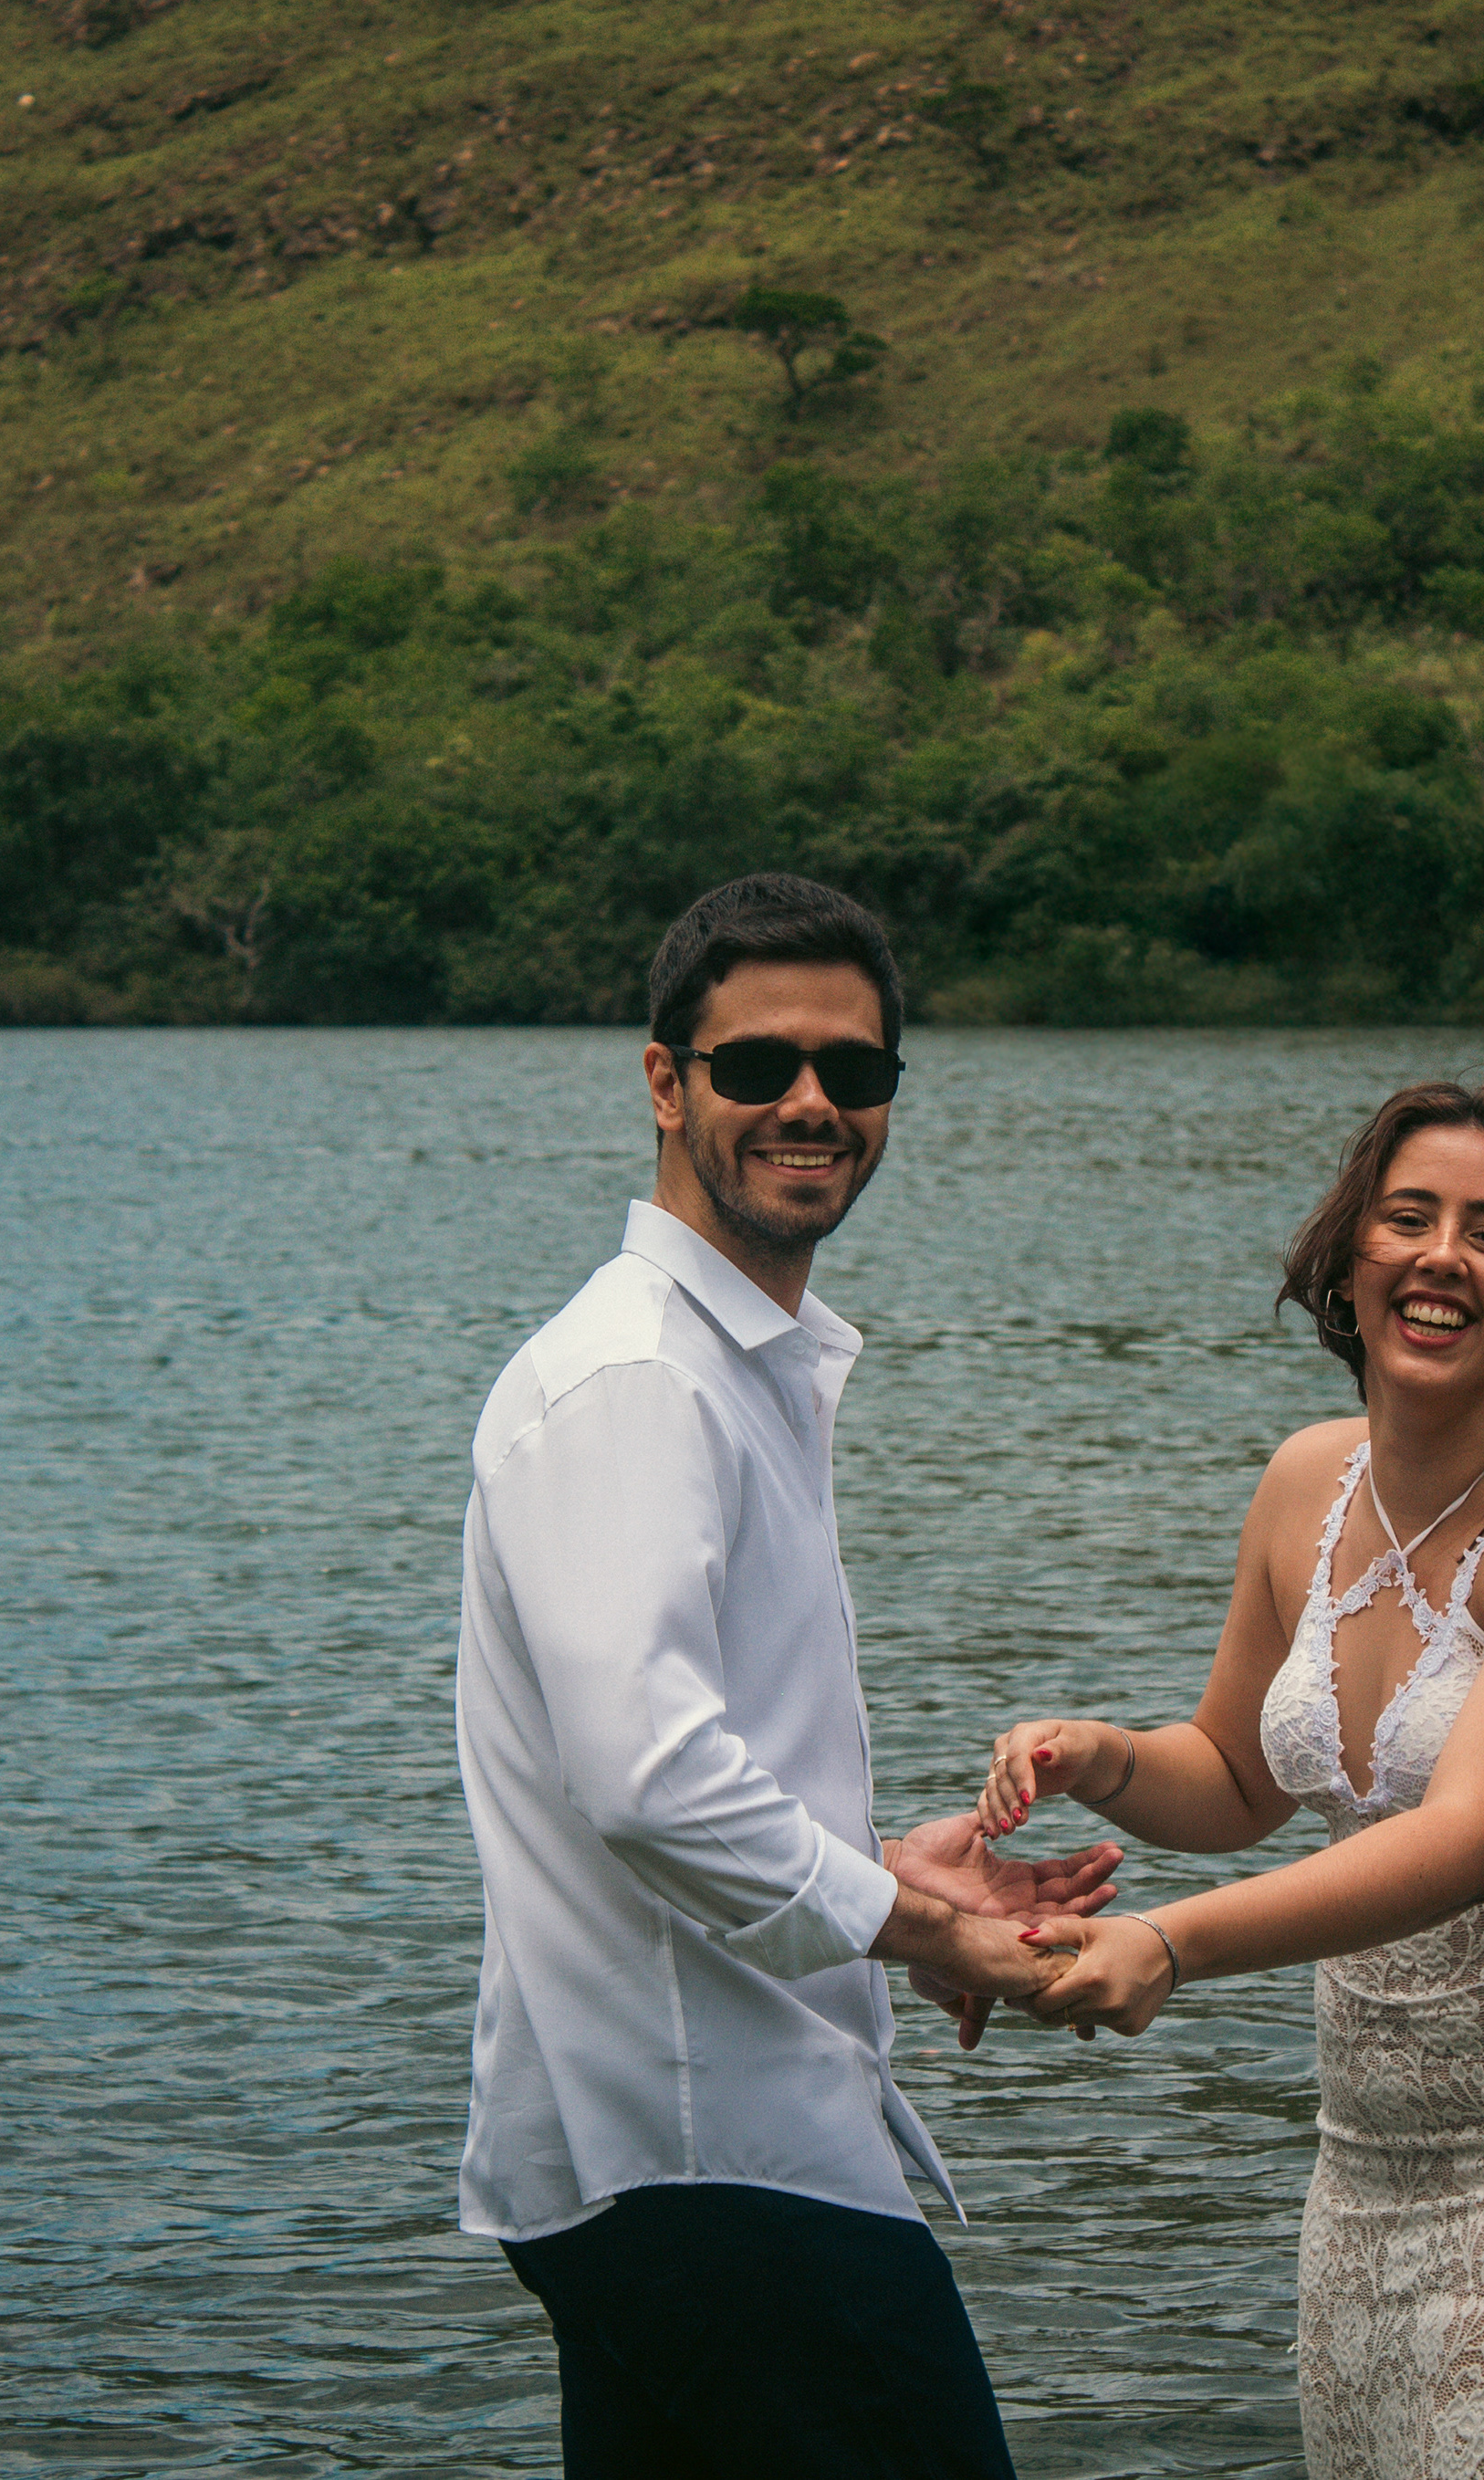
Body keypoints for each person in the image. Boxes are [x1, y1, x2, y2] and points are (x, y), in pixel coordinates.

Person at [967, 1081, 1484, 2480]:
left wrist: (1170, 1942)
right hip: (1369, 2171)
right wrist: (1099, 1755)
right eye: (1409, 1218)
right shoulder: (1307, 1482)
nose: (1441, 1256)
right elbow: (1237, 1775)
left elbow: (1481, 1835)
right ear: (1350, 1256)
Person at [454, 873, 1114, 2480]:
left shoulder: (735, 1369)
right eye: (757, 1064)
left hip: (681, 2160)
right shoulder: (637, 1380)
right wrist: (932, 1930)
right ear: (665, 1081)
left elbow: (670, 1770)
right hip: (714, 2158)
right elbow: (649, 1780)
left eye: (854, 1068)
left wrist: (880, 1867)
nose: (812, 1102)